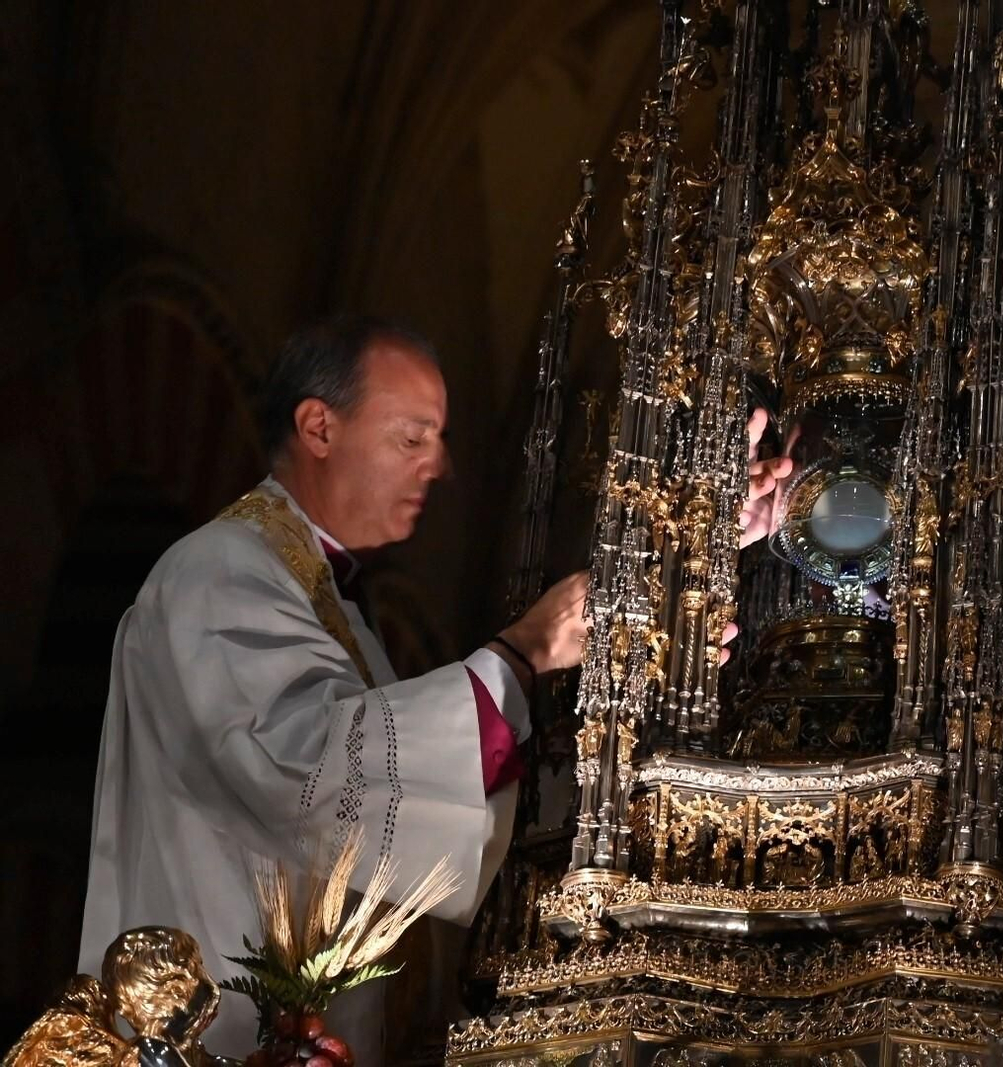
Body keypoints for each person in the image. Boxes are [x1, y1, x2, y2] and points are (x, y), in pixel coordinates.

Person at [79, 316, 792, 1061]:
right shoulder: (218, 571)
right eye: (412, 437)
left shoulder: (328, 603)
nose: (439, 464)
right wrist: (521, 652)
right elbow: (308, 774)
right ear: (319, 426)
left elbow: (432, 801)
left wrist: (673, 569)